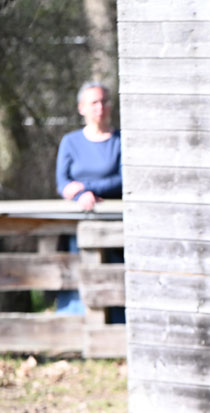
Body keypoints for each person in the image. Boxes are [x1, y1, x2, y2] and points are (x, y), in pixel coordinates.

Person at [54, 81, 123, 317]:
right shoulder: (70, 142)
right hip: (78, 222)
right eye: (94, 102)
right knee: (77, 270)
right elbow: (63, 183)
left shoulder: (121, 140)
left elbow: (123, 180)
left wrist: (86, 187)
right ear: (81, 107)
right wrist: (82, 195)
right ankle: (73, 320)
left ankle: (117, 322)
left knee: (113, 272)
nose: (100, 107)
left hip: (115, 223)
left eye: (104, 101)